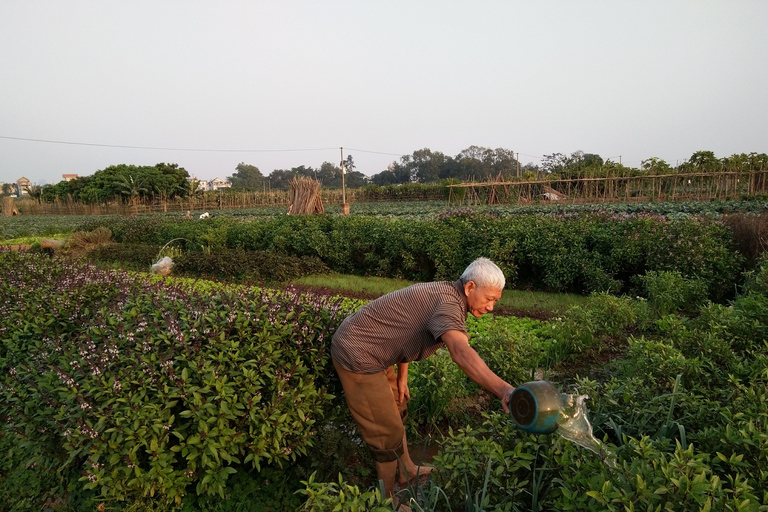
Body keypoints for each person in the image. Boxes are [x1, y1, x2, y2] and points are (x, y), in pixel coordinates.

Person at [330, 257, 516, 507]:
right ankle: (387, 501)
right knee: (386, 433)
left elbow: (405, 329)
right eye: (489, 299)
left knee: (398, 405)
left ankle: (406, 468)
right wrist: (504, 390)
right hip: (358, 353)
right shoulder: (448, 304)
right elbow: (460, 352)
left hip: (377, 349)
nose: (491, 306)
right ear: (470, 288)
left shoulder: (445, 293)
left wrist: (402, 377)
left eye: (495, 300)